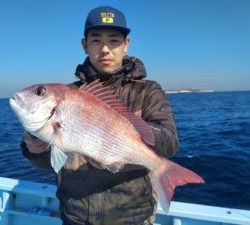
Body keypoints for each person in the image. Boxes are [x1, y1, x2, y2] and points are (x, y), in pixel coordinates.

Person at [21, 6, 179, 225]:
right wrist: (35, 147)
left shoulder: (148, 91)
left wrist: (131, 132)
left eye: (114, 40)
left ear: (126, 45)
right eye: (96, 40)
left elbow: (170, 142)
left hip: (133, 217)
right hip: (75, 216)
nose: (105, 49)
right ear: (85, 45)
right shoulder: (68, 94)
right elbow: (47, 163)